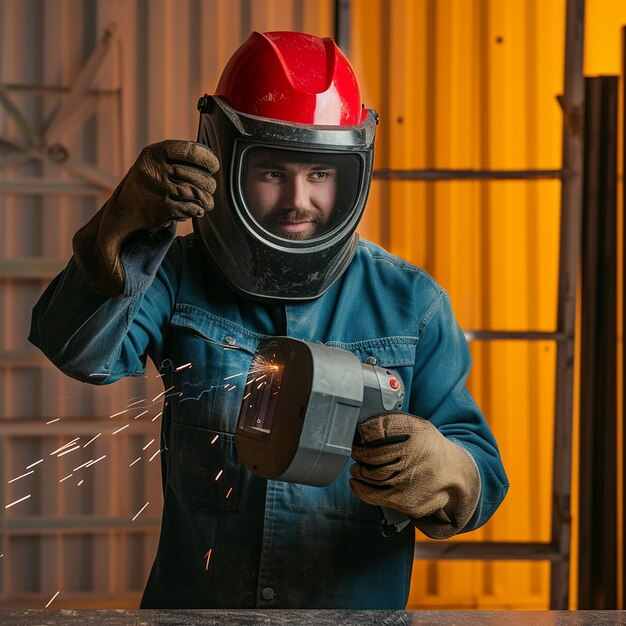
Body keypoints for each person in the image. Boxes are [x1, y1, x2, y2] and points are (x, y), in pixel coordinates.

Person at [29, 31, 508, 609]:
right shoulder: (179, 273)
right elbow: (79, 351)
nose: (297, 201)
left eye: (320, 175)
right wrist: (121, 232)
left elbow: (483, 474)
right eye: (273, 173)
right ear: (225, 162)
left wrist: (447, 469)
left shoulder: (412, 303)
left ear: (352, 173)